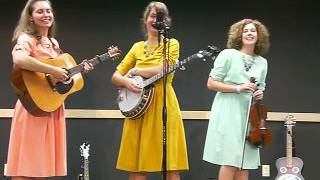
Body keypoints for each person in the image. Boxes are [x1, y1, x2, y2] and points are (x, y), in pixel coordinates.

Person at [6, 0, 93, 179]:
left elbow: (63, 76)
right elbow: (19, 59)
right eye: (40, 12)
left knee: (42, 166)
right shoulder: (26, 39)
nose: (46, 15)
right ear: (31, 17)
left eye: (48, 11)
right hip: (33, 106)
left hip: (51, 106)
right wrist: (53, 70)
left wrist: (80, 70)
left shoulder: (54, 43)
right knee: (27, 163)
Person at [111, 1, 188, 180]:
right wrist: (126, 82)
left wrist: (136, 71)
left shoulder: (172, 44)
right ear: (145, 20)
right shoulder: (137, 47)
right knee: (137, 165)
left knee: (171, 164)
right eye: (152, 16)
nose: (155, 20)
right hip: (139, 110)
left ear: (166, 21)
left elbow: (165, 68)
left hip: (164, 104)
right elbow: (115, 76)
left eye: (160, 17)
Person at [203, 19, 270, 180]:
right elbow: (211, 83)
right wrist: (238, 88)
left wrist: (259, 93)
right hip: (229, 109)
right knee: (230, 159)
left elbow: (261, 87)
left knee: (244, 162)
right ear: (239, 35)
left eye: (253, 30)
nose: (249, 33)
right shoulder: (228, 54)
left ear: (258, 35)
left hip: (250, 114)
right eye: (245, 30)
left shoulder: (262, 62)